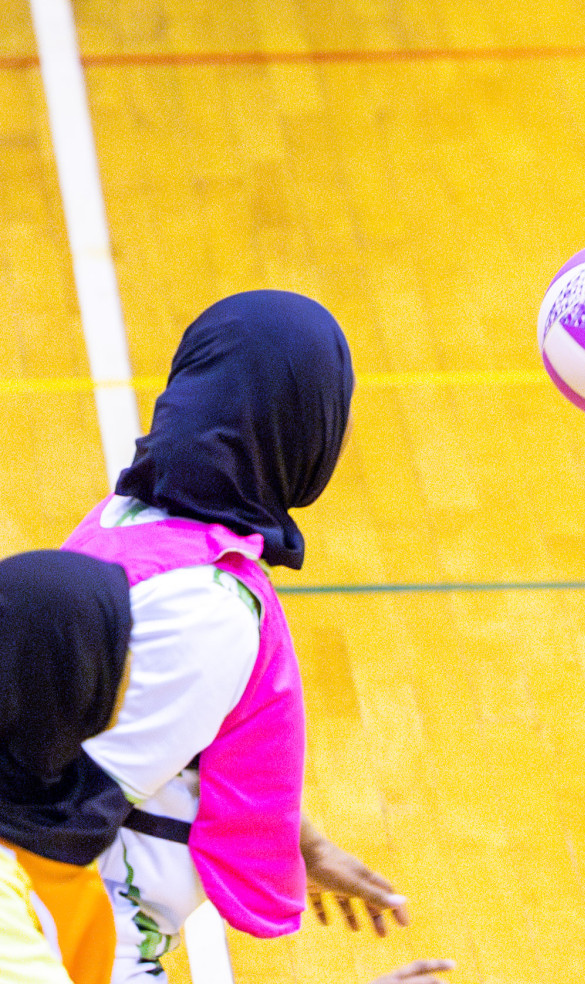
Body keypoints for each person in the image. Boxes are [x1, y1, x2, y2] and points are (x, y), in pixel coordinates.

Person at [0, 291, 413, 983]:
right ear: (295, 425)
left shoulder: (131, 518)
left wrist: (296, 838)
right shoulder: (209, 606)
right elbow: (54, 819)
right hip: (77, 939)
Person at [0, 548, 456, 984]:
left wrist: (298, 841)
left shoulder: (43, 798)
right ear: (70, 680)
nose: (135, 669)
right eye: (118, 652)